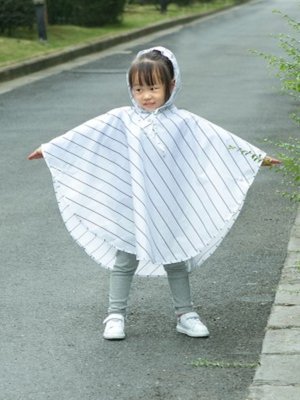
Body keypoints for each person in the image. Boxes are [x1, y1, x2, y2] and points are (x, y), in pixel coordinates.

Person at [28, 46, 280, 340]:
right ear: (130, 88)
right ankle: (115, 315)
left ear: (171, 86)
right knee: (124, 259)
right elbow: (87, 135)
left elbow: (218, 141)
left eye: (153, 87)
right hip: (130, 205)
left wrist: (254, 156)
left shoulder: (184, 122)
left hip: (169, 205)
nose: (146, 95)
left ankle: (185, 314)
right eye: (138, 88)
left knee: (176, 256)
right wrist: (51, 149)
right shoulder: (122, 118)